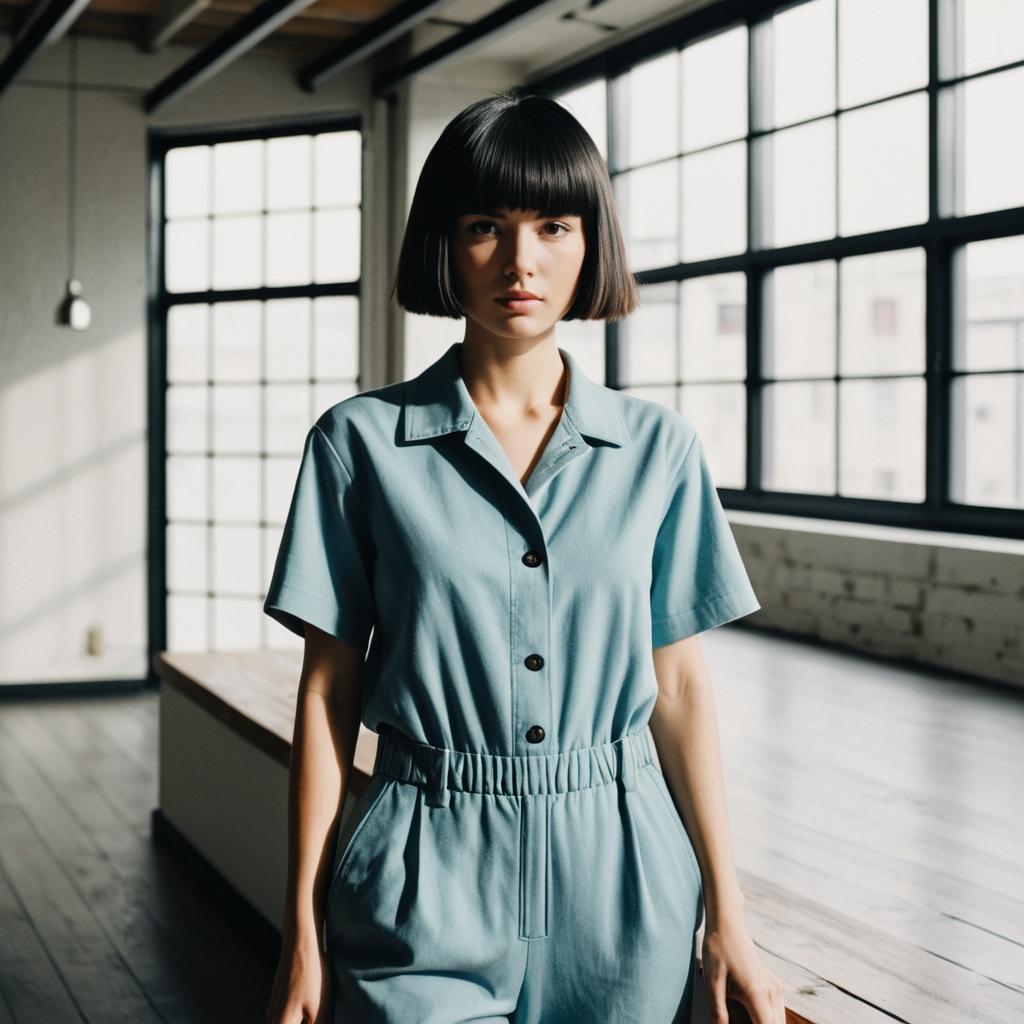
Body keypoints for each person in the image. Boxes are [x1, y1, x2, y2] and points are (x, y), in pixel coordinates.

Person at [264, 86, 785, 1024]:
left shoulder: (659, 451)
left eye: (553, 224)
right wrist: (301, 927)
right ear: (444, 245)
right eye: (484, 226)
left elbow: (680, 691)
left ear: (592, 244)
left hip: (626, 879)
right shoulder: (358, 445)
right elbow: (326, 693)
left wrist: (729, 915)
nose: (520, 261)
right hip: (425, 866)